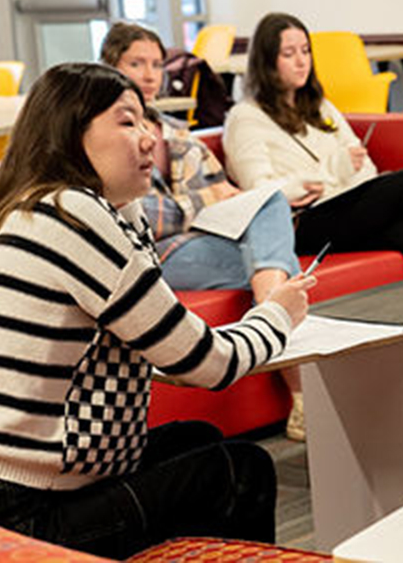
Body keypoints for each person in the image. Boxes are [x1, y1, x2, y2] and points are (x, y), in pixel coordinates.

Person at [0, 62, 316, 560]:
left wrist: (130, 204)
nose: (148, 139)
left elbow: (156, 336)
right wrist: (275, 312)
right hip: (0, 506)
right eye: (126, 121)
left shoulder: (33, 207)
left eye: (147, 122)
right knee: (240, 470)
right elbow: (207, 364)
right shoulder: (72, 215)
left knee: (198, 440)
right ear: (71, 134)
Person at [223, 12, 403, 390]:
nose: (302, 61)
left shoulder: (320, 107)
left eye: (305, 51)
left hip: (343, 209)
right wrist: (331, 170)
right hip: (300, 224)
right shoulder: (245, 118)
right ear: (267, 61)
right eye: (289, 53)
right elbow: (261, 192)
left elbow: (365, 165)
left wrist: (339, 174)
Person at [100, 22, 308, 441]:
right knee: (276, 261)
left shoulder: (175, 130)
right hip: (154, 258)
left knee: (269, 202)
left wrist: (231, 201)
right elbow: (137, 215)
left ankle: (271, 310)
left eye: (157, 64)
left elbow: (219, 192)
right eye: (136, 63)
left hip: (197, 242)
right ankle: (295, 374)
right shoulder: (104, 136)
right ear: (111, 67)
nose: (149, 74)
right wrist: (193, 206)